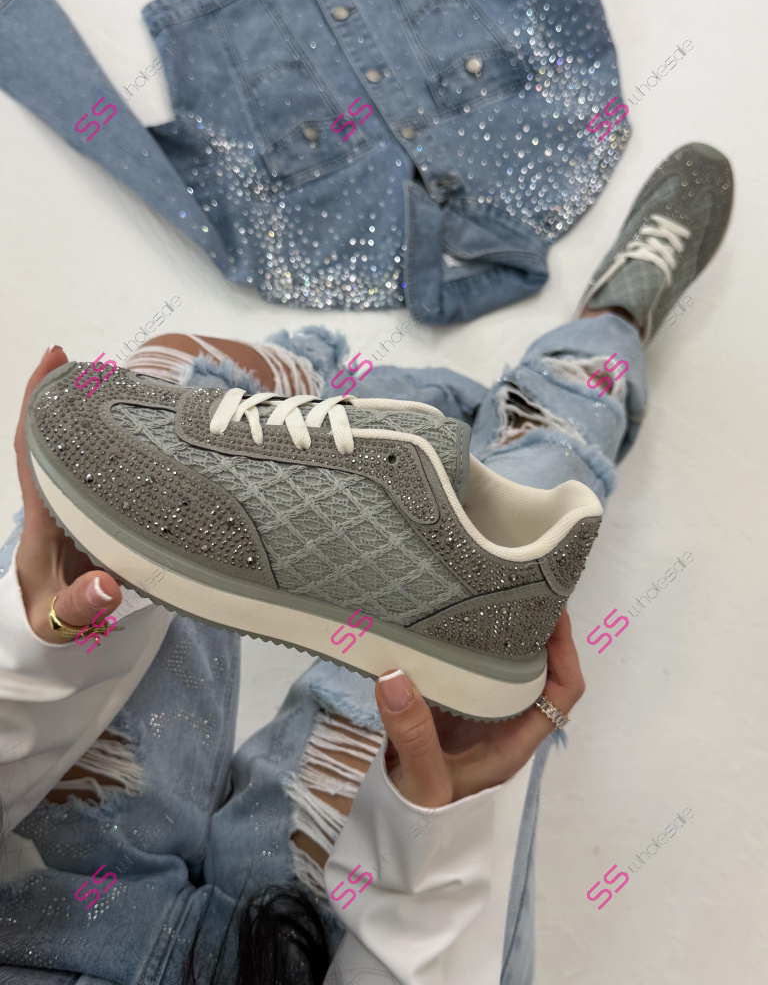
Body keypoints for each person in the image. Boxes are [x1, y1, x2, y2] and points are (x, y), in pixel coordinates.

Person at [0, 142, 732, 984]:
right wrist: (433, 846)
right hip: (310, 959)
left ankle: (329, 381)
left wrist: (31, 661)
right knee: (507, 549)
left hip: (38, 896)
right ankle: (606, 333)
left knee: (155, 395)